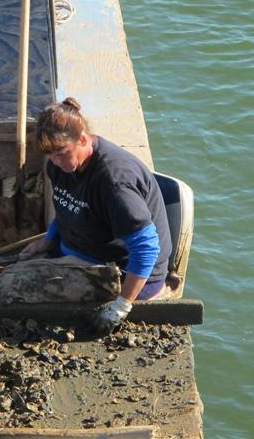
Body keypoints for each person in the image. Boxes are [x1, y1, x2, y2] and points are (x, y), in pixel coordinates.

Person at [20, 97, 172, 333]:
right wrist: (47, 240)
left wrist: (121, 306)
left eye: (61, 152)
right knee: (13, 272)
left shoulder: (114, 183)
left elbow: (147, 248)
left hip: (120, 272)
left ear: (83, 139)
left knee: (19, 290)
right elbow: (66, 206)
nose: (55, 161)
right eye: (50, 154)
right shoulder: (61, 166)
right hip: (79, 251)